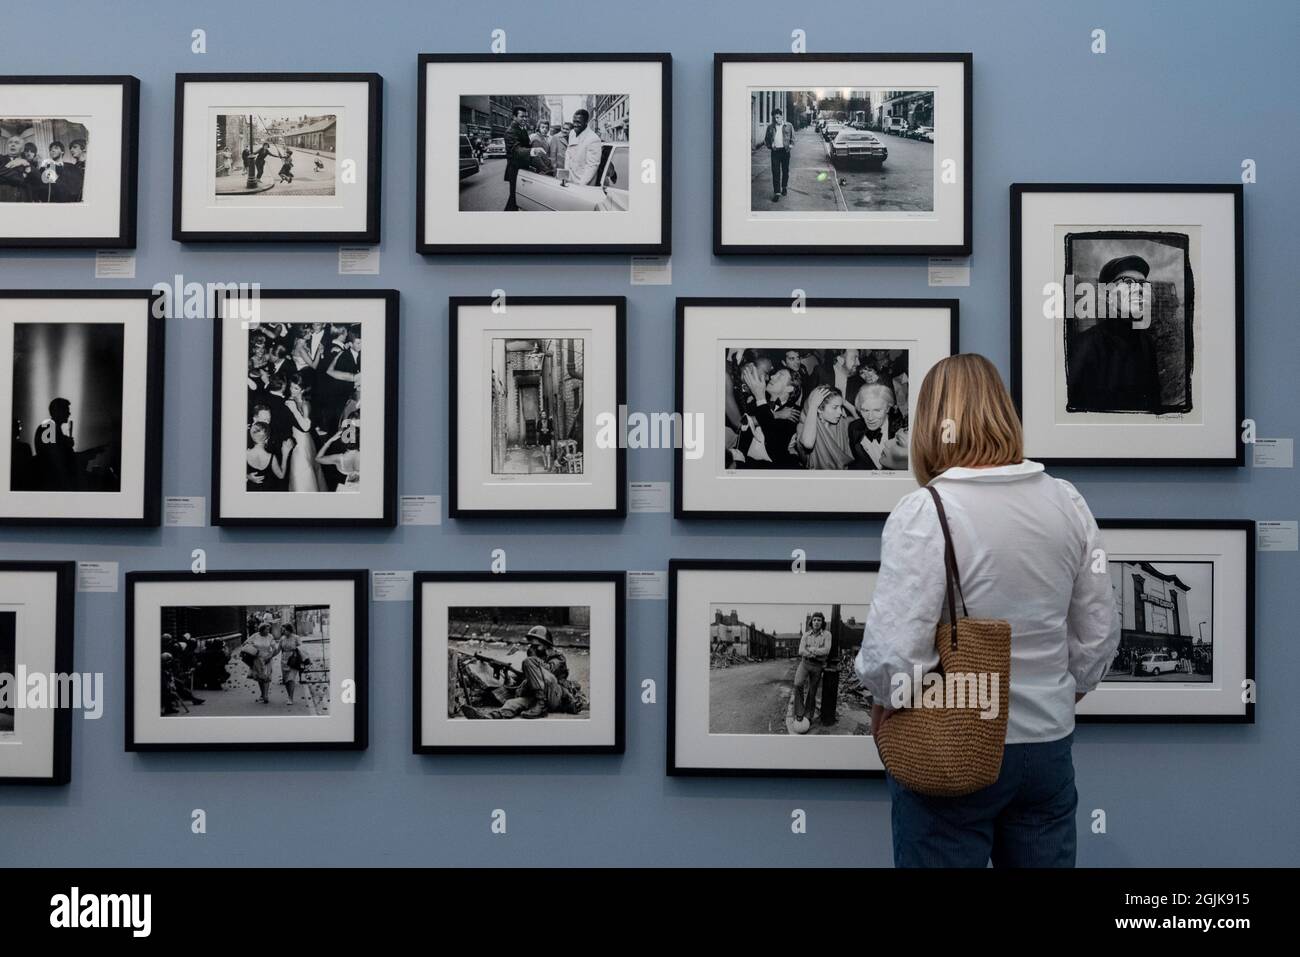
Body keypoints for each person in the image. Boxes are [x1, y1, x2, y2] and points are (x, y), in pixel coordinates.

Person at [853, 353, 1122, 868]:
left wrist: (886, 710)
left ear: (932, 425)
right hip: (1046, 751)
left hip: (953, 748)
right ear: (1003, 413)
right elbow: (1098, 637)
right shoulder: (1067, 502)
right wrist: (1056, 696)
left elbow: (893, 658)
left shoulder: (926, 510)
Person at [1065, 255, 1162, 413]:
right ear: (1107, 295)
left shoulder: (1147, 343)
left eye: (1143, 284)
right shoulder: (1084, 346)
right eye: (1128, 282)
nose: (1139, 289)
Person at [461, 626, 584, 719]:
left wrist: (532, 660)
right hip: (537, 696)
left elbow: (549, 674)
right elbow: (531, 678)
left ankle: (541, 705)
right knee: (512, 703)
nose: (532, 648)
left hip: (554, 694)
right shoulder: (534, 656)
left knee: (529, 662)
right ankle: (489, 717)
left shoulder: (558, 657)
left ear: (546, 645)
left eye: (537, 646)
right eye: (532, 645)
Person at [797, 385, 857, 470]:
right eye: (835, 407)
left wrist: (844, 402)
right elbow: (808, 444)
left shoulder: (840, 423)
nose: (840, 412)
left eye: (841, 407)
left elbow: (859, 422)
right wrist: (813, 406)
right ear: (819, 409)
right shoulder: (804, 427)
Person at [284, 373, 325, 492]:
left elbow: (306, 427)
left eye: (296, 388)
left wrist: (294, 410)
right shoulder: (292, 399)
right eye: (291, 387)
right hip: (294, 438)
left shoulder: (305, 403)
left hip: (302, 442)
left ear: (303, 389)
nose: (292, 390)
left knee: (300, 470)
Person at [792, 611, 833, 730]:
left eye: (819, 620)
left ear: (822, 622)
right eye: (814, 620)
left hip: (817, 666)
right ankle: (799, 713)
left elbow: (826, 650)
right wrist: (816, 652)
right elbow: (801, 651)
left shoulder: (827, 635)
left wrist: (811, 650)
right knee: (798, 683)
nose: (816, 622)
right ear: (811, 622)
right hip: (805, 663)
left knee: (812, 691)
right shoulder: (806, 635)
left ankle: (808, 715)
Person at [32, 397, 80, 491]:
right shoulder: (48, 428)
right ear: (58, 411)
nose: (69, 413)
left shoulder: (52, 428)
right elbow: (52, 458)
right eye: (66, 410)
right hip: (52, 481)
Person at [503, 106, 543, 210]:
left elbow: (527, 146)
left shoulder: (523, 129)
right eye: (522, 116)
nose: (525, 119)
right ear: (514, 117)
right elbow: (516, 150)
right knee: (514, 198)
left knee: (517, 197)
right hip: (515, 170)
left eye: (526, 117)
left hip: (523, 169)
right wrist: (533, 151)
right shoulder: (510, 131)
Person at [240, 623, 279, 704]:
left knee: (267, 677)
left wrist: (270, 656)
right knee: (260, 677)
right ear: (261, 629)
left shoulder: (270, 636)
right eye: (266, 629)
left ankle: (265, 696)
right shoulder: (255, 635)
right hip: (257, 659)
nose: (268, 631)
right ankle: (262, 694)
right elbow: (245, 644)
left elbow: (275, 648)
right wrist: (252, 649)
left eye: (269, 629)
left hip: (267, 658)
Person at [564, 109, 603, 186]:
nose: (575, 124)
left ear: (586, 122)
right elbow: (568, 154)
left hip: (583, 184)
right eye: (574, 121)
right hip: (569, 180)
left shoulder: (593, 139)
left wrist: (580, 186)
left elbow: (592, 166)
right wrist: (566, 175)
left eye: (578, 122)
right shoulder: (572, 133)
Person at [762, 108, 794, 201]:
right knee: (775, 172)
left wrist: (790, 146)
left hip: (785, 151)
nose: (776, 119)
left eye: (778, 117)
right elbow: (766, 140)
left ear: (781, 116)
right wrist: (770, 146)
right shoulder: (770, 127)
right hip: (775, 152)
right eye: (775, 118)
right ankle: (777, 192)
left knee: (785, 171)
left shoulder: (789, 125)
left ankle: (784, 187)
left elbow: (793, 138)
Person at [277, 622, 309, 706]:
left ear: (289, 630)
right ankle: (289, 695)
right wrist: (269, 656)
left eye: (284, 630)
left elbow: (302, 648)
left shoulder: (296, 638)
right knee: (286, 681)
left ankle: (290, 698)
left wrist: (303, 658)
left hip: (293, 660)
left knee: (291, 679)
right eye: (283, 630)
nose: (283, 632)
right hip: (284, 660)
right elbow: (278, 650)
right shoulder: (282, 638)